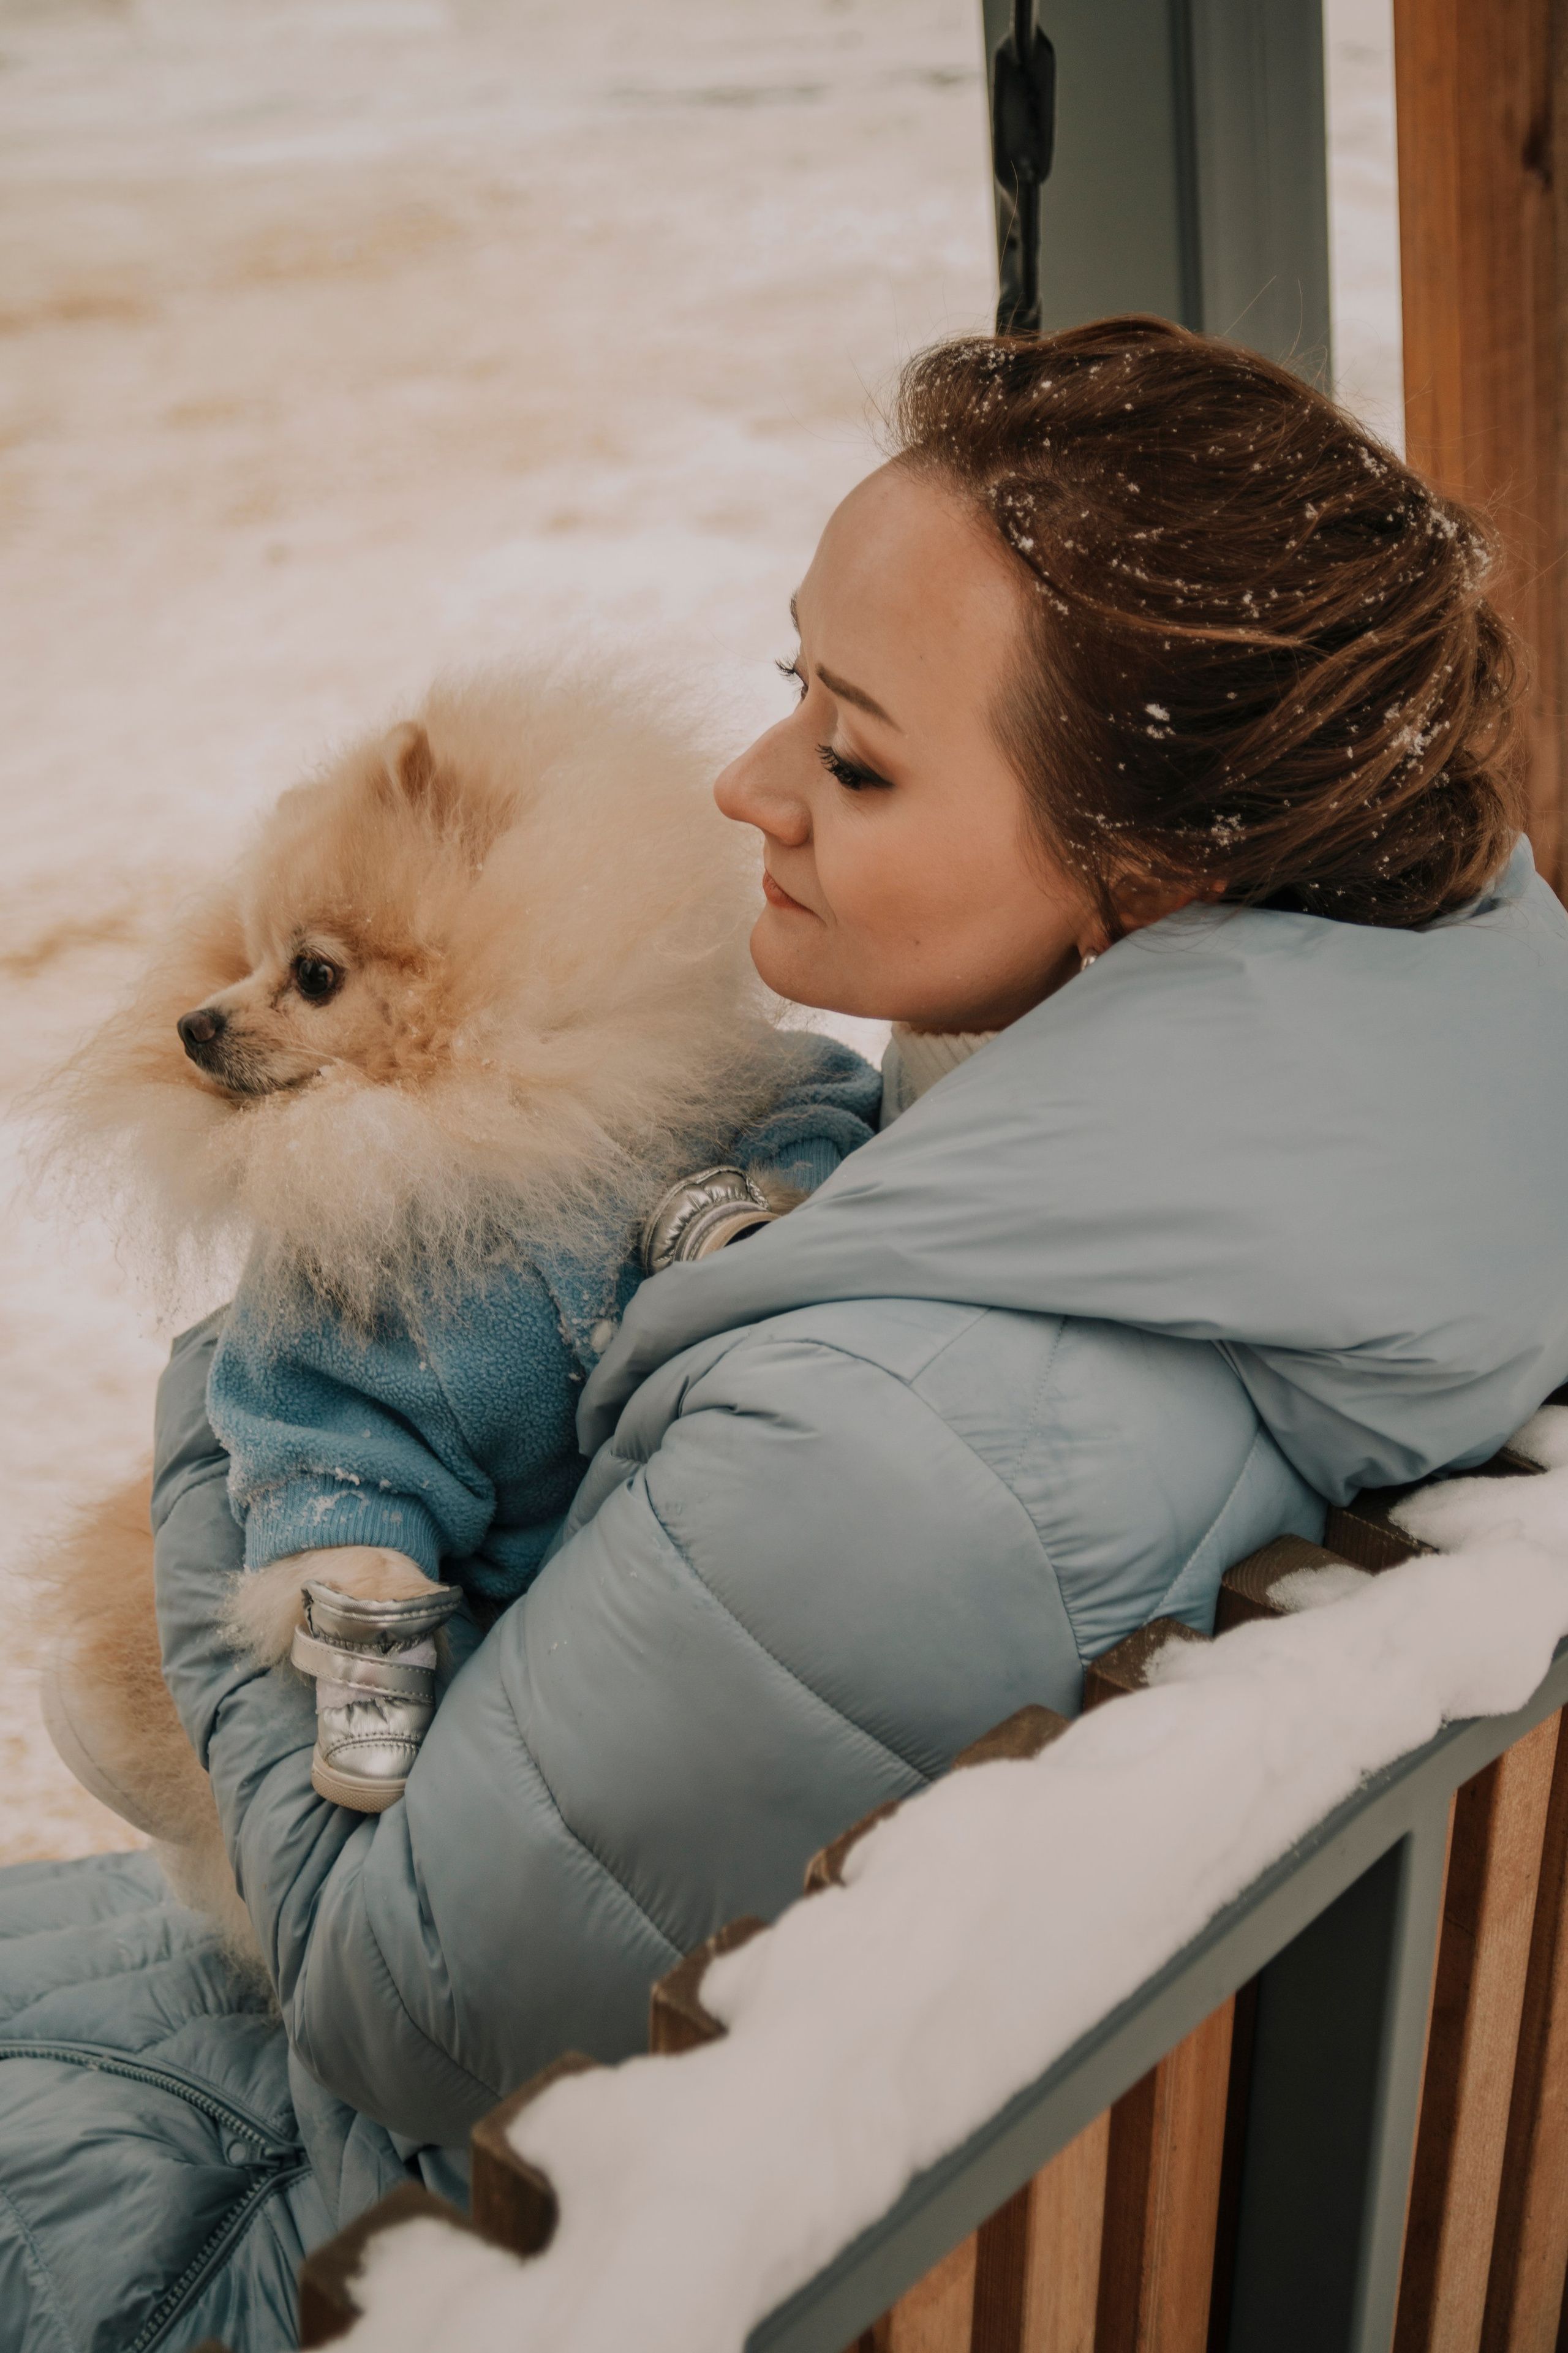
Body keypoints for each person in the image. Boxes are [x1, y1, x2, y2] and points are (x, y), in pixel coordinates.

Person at [4, 318, 1567, 2351]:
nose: (750, 785)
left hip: (410, 2245)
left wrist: (259, 1400)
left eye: (854, 752)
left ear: (1155, 870)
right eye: (785, 691)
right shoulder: (1371, 1165)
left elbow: (395, 1995)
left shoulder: (896, 1451)